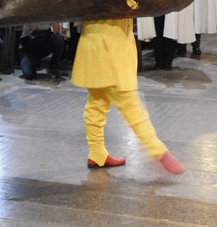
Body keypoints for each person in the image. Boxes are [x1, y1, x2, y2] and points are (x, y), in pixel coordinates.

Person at [71, 18, 185, 174]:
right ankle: (160, 152)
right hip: (111, 46)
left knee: (97, 102)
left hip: (94, 43)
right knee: (130, 105)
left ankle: (97, 154)